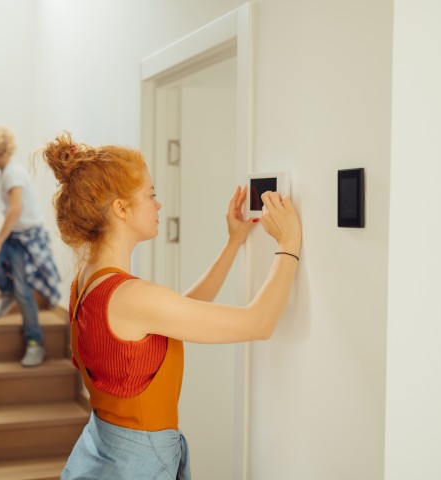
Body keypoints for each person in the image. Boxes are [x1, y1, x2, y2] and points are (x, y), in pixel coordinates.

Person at [40, 132, 302, 479]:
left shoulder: (86, 281)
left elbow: (179, 312)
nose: (158, 205)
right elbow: (259, 323)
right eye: (151, 195)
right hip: (137, 463)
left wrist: (233, 243)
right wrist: (289, 243)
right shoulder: (132, 296)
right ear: (121, 208)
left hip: (103, 450)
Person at [0, 126, 62, 367]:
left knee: (24, 291)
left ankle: (35, 343)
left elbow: (15, 210)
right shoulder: (4, 175)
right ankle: (6, 289)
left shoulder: (13, 173)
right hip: (14, 236)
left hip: (25, 239)